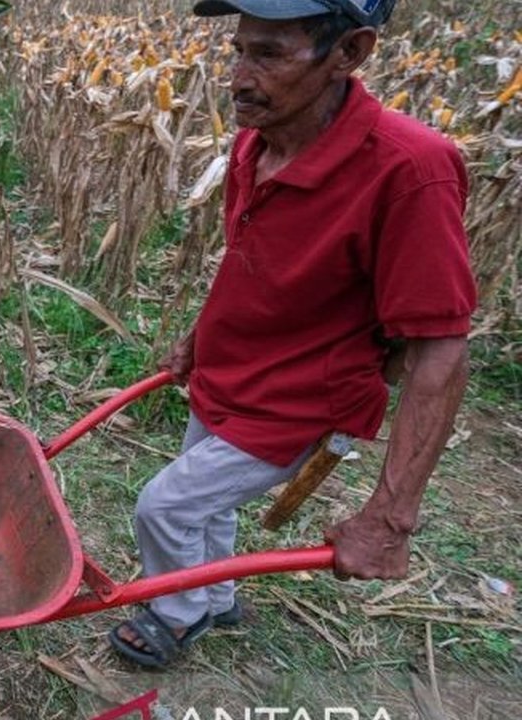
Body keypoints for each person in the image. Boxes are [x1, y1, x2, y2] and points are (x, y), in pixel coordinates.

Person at [109, 0, 476, 668]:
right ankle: (215, 598)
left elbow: (441, 349)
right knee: (206, 508)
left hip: (298, 402)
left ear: (351, 51)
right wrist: (200, 333)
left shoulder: (409, 171)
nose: (239, 78)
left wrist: (389, 518)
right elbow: (257, 256)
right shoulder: (259, 135)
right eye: (239, 50)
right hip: (232, 372)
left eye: (270, 54)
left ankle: (177, 611)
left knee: (163, 506)